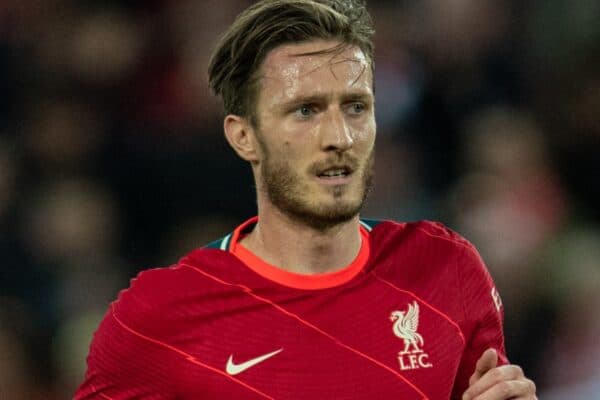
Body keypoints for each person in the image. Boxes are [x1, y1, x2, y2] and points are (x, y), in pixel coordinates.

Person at [75, 1, 537, 399]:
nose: (339, 136)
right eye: (305, 110)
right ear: (244, 137)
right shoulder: (160, 317)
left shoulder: (446, 270)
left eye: (356, 106)